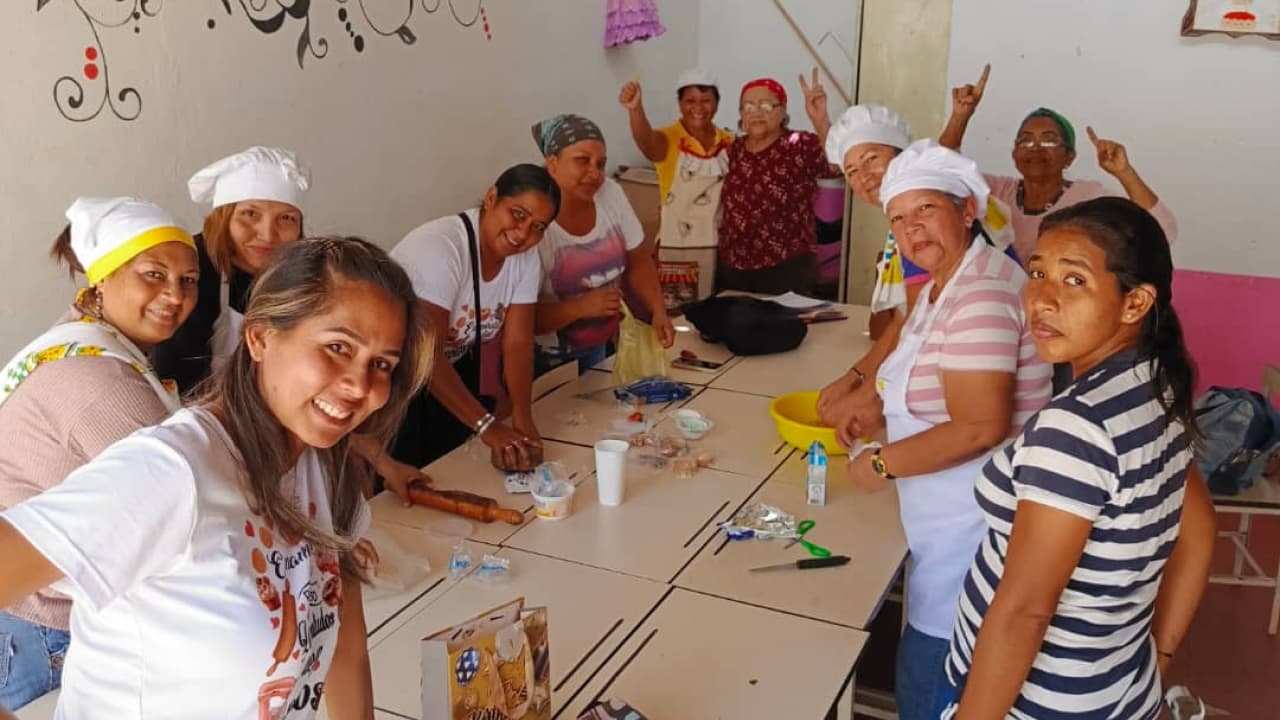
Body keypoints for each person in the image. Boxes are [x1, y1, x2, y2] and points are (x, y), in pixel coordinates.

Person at [0, 236, 431, 718]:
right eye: (336, 347)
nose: (360, 385)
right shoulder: (173, 473)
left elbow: (345, 653)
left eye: (381, 365)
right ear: (261, 337)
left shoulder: (323, 468)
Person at [942, 197, 1215, 719]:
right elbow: (1199, 530)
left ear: (1134, 304)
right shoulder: (1157, 385)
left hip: (1035, 704)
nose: (1041, 299)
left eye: (1073, 281)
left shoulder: (1075, 427)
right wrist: (1160, 656)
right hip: (1115, 687)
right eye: (1037, 271)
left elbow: (1025, 611)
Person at [840, 140, 1052, 719]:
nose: (912, 230)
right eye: (898, 218)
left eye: (925, 210)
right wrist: (879, 409)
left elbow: (980, 426)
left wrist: (879, 461)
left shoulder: (982, 293)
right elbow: (931, 372)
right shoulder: (945, 283)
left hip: (974, 535)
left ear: (965, 210)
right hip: (941, 523)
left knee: (935, 687)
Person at [0, 197, 198, 710]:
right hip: (40, 624)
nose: (174, 295)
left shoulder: (84, 340)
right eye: (153, 275)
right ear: (103, 279)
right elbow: (183, 504)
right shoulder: (99, 379)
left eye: (188, 281)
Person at [816, 106, 1017, 445]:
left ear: (901, 157)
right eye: (851, 170)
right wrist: (858, 379)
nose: (863, 176)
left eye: (871, 159)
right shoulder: (911, 227)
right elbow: (915, 315)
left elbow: (912, 328)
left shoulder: (929, 240)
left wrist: (865, 395)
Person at [389, 164, 558, 472]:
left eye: (539, 227)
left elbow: (518, 342)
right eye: (518, 214)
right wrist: (487, 426)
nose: (523, 234)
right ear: (491, 197)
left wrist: (522, 417)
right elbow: (426, 353)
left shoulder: (525, 257)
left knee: (452, 474)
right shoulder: (441, 248)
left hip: (446, 377)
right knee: (403, 488)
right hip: (396, 384)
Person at [940, 64, 1178, 265]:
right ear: (1014, 155)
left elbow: (1162, 229)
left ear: (1070, 157)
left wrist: (1124, 172)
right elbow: (941, 172)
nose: (1035, 147)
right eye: (1025, 140)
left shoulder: (1088, 197)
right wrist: (961, 116)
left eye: (1048, 139)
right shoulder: (996, 192)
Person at [154, 145, 309, 393]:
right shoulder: (190, 272)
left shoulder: (304, 277)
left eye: (286, 218)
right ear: (222, 218)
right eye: (250, 214)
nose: (268, 235)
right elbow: (173, 377)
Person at [532, 113, 674, 375]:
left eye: (601, 163)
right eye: (582, 161)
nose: (594, 173)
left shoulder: (610, 193)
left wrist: (657, 310)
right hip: (543, 362)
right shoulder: (536, 221)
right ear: (552, 164)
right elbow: (519, 319)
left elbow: (638, 260)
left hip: (598, 349)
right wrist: (580, 307)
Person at [716, 70, 838, 294]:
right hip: (734, 263)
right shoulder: (732, 150)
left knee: (785, 326)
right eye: (748, 107)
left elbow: (835, 166)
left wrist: (820, 120)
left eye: (765, 106)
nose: (756, 113)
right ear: (741, 114)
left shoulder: (799, 144)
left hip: (787, 265)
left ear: (782, 111)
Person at [619, 69, 734, 296]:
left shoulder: (730, 142)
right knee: (680, 318)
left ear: (717, 104)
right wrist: (635, 109)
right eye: (690, 101)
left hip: (721, 246)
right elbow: (647, 143)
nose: (698, 108)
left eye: (706, 101)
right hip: (676, 247)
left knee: (719, 313)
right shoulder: (668, 138)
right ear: (680, 104)